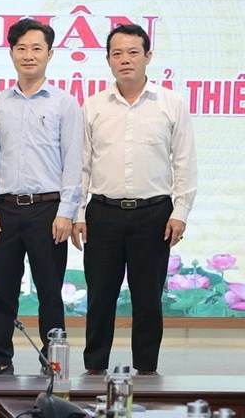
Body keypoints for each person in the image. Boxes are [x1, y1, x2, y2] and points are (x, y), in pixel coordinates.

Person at [72, 24, 197, 376]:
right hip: (103, 214)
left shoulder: (171, 104)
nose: (125, 60)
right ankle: (93, 371)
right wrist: (78, 213)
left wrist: (181, 212)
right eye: (117, 53)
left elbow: (184, 162)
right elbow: (81, 165)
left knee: (147, 302)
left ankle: (146, 372)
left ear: (148, 56)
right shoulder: (94, 105)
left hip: (154, 214)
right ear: (108, 59)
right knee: (99, 300)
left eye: (132, 52)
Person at [0, 18, 83, 375]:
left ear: (50, 53)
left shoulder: (65, 104)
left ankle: (53, 360)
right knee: (4, 292)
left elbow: (73, 162)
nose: (28, 55)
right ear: (11, 53)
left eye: (36, 48)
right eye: (21, 48)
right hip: (4, 212)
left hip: (48, 211)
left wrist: (67, 212)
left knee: (50, 292)